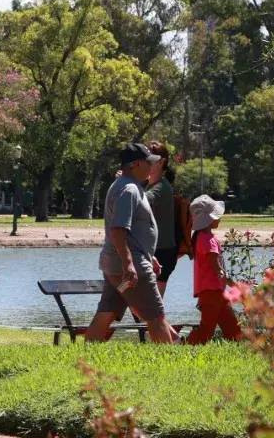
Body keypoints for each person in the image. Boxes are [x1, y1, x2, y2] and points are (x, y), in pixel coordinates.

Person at [84, 143, 175, 344]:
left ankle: (84, 354)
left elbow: (132, 231)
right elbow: (118, 230)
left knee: (107, 312)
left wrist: (149, 255)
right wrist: (129, 263)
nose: (152, 167)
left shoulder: (127, 186)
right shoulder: (129, 190)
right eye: (148, 163)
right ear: (135, 164)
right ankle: (169, 362)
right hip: (129, 266)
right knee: (156, 315)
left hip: (118, 263)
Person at [184, 195, 243, 345]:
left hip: (216, 292)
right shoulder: (207, 240)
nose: (220, 217)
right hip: (211, 292)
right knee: (206, 330)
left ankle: (239, 348)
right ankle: (181, 346)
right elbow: (218, 270)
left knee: (232, 328)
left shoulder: (202, 238)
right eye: (217, 215)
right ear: (209, 219)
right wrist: (236, 286)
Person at [144, 144, 182, 294]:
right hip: (152, 251)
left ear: (160, 162)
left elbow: (143, 200)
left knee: (153, 308)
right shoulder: (147, 185)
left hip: (162, 253)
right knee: (146, 308)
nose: (142, 162)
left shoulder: (163, 187)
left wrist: (128, 183)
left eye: (148, 159)